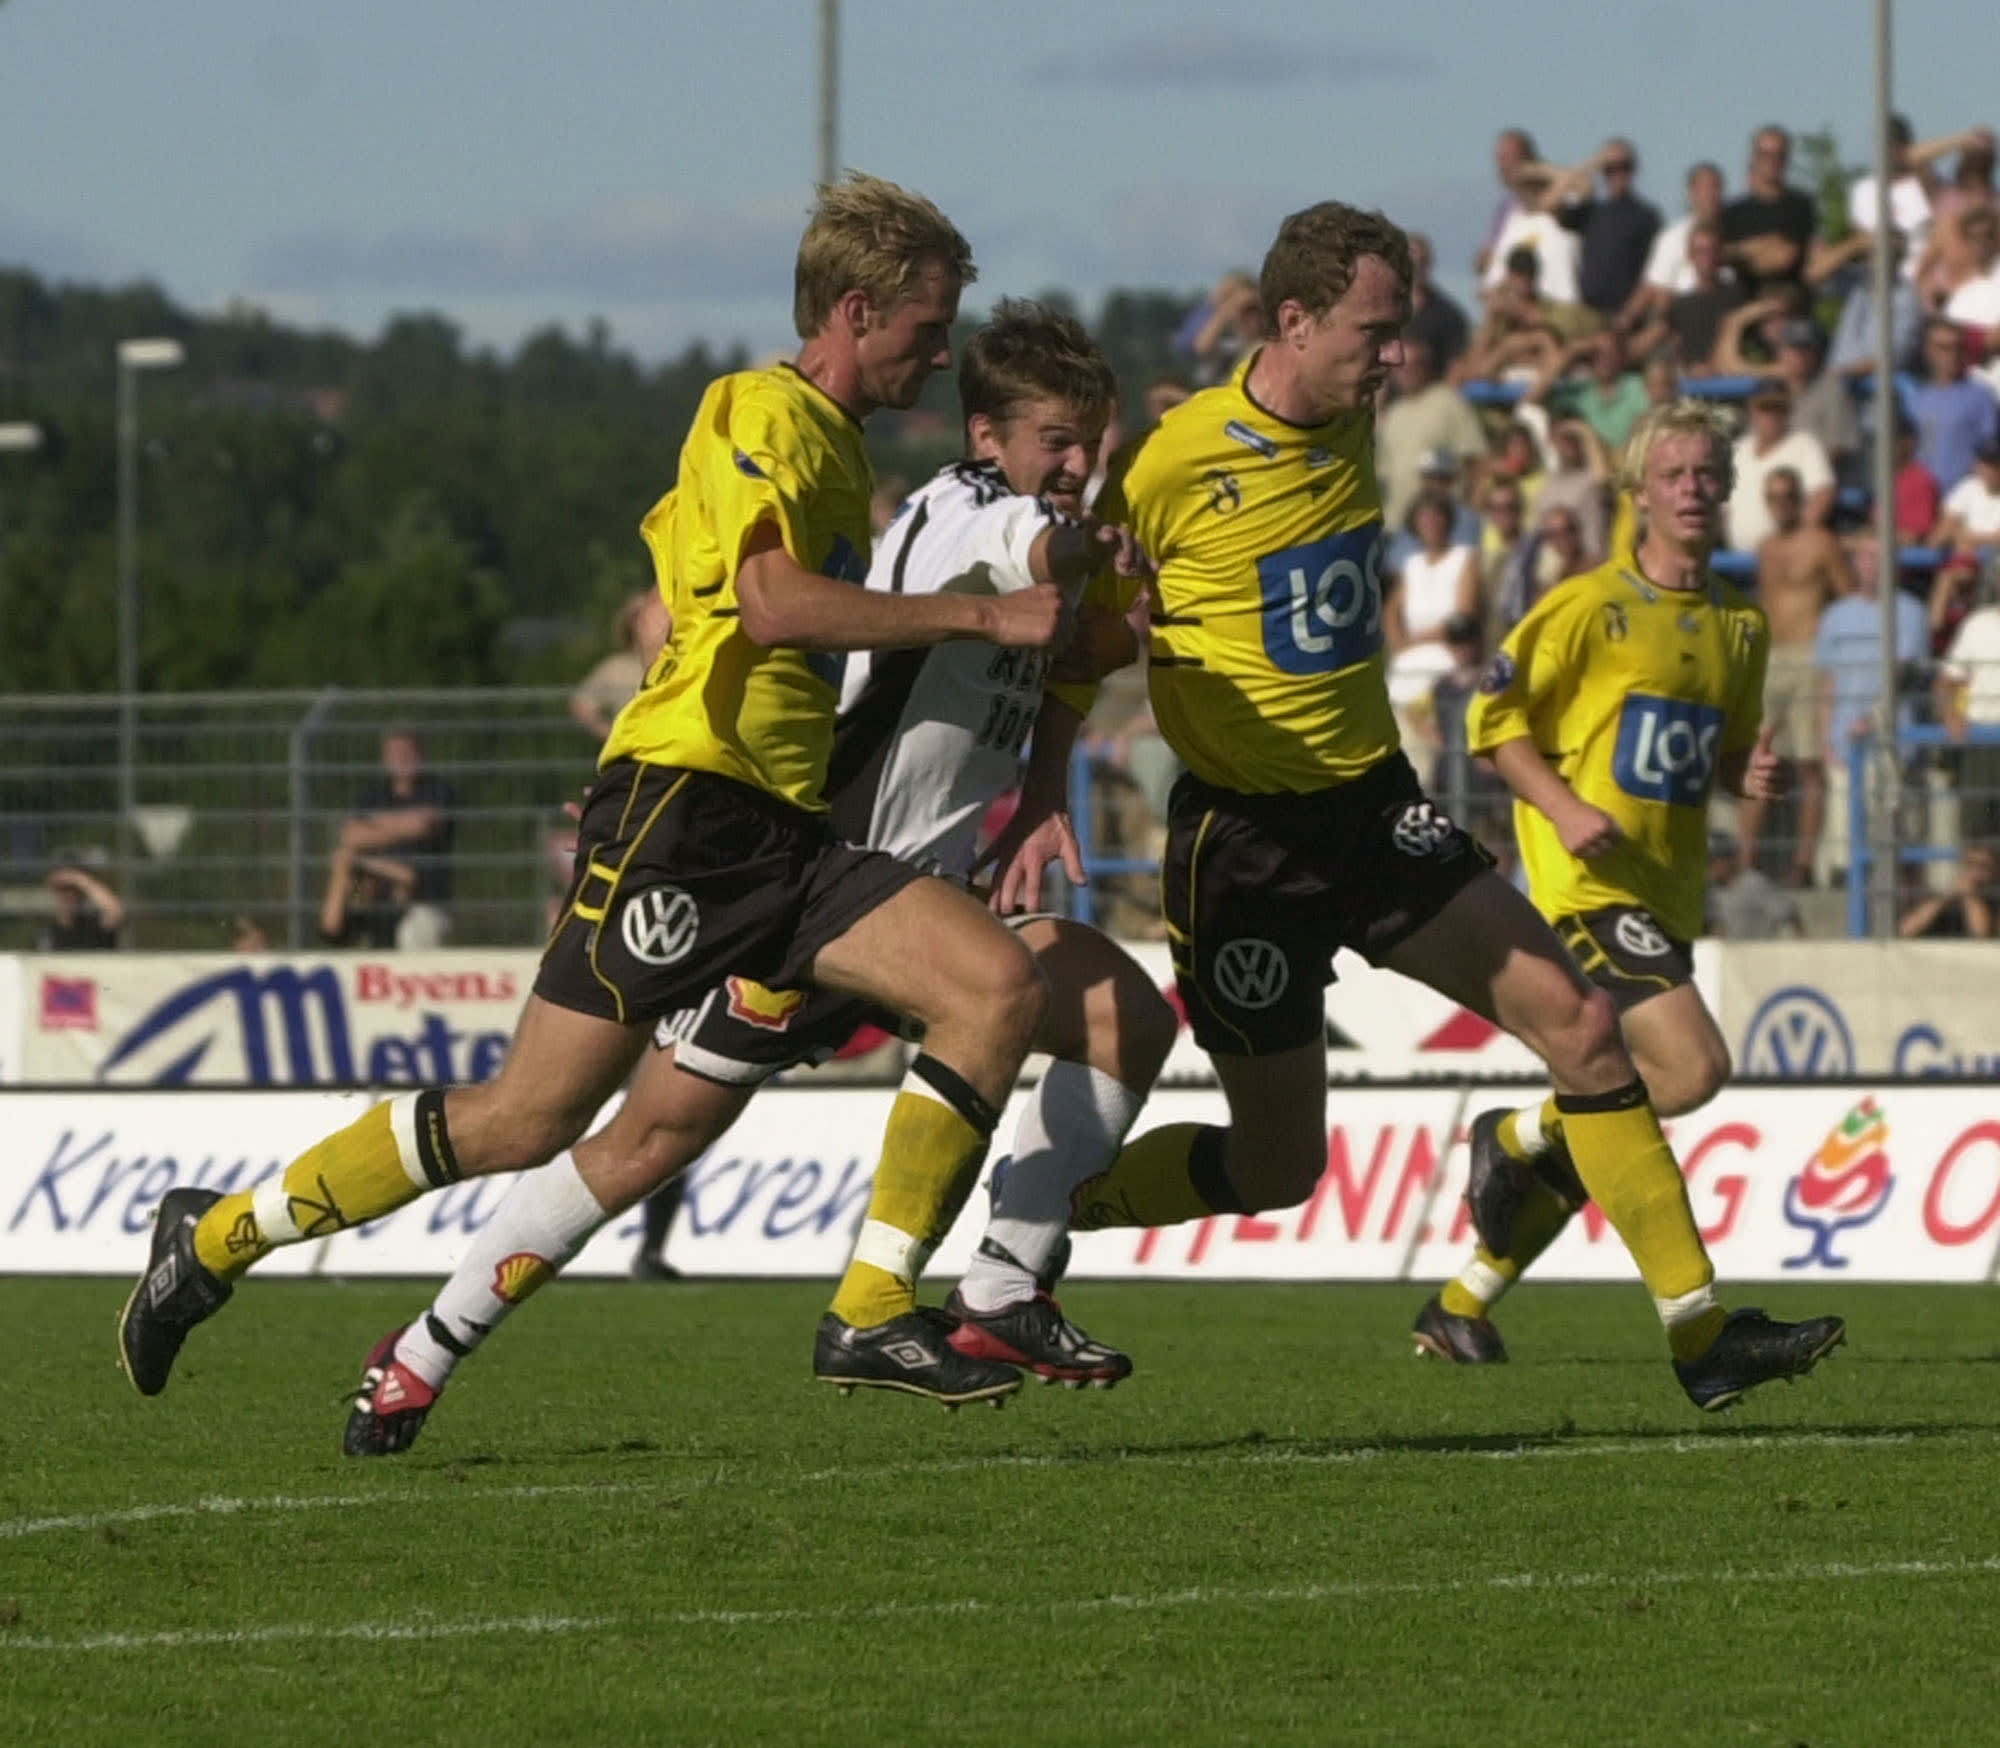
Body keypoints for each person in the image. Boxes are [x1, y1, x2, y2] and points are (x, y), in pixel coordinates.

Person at [119, 171, 1085, 1415]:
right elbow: (768, 603)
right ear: (855, 311)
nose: (941, 354)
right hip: (688, 813)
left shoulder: (831, 446)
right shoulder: (759, 408)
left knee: (994, 984)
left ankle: (871, 1308)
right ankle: (214, 1238)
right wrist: (981, 615)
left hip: (786, 832)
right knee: (526, 1118)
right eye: (927, 325)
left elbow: (683, 585)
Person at [1024, 203, 1840, 1412]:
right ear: (1292, 321)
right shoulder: (1174, 461)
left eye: (1398, 328)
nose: (1395, 354)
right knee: (1276, 1165)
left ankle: (1701, 1332)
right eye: (1375, 329)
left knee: (1581, 1024)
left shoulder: (1353, 415)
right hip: (1242, 843)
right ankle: (1055, 1208)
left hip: (1373, 810)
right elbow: (1085, 637)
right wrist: (1046, 779)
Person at [330, 302, 1177, 1453]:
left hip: (909, 905)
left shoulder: (1042, 526)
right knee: (644, 1140)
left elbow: (1078, 647)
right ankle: (422, 1353)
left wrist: (1043, 782)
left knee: (1122, 1016)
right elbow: (1038, 556)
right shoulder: (968, 511)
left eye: (1094, 442)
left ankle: (1000, 1288)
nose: (1078, 466)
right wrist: (1095, 549)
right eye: (1056, 442)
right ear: (987, 437)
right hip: (823, 896)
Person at [1412, 399, 1841, 1392]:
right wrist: (1561, 807)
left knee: (1621, 1107)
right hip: (1585, 887)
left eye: (1707, 474)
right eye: (1674, 474)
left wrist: (1747, 774)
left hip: (1664, 892)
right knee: (1692, 1066)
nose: (1692, 488)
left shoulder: (1738, 625)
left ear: (1725, 490)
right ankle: (1534, 1156)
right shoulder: (1587, 605)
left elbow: (1720, 751)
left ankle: (1464, 1295)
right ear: (1638, 491)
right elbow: (1493, 719)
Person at [1739, 466, 1855, 884]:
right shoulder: (1765, 547)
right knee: (1757, 758)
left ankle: (1802, 864)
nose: (1781, 504)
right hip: (1772, 658)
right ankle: (1745, 863)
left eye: (1788, 496)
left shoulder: (1821, 543)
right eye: (1773, 497)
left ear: (1800, 499)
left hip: (1809, 655)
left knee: (1808, 763)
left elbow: (1848, 598)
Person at [336, 727, 457, 949]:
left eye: (407, 752)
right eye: (395, 753)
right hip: (378, 898)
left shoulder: (438, 790)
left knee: (412, 935)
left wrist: (375, 823)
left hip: (425, 901)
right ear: (385, 758)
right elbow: (350, 835)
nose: (401, 758)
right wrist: (404, 824)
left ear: (421, 755)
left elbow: (423, 825)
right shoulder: (373, 795)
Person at [1548, 137, 1661, 324]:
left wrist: (1629, 315)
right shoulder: (1591, 212)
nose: (1618, 174)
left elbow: (1654, 273)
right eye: (1610, 168)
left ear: (1633, 169)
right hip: (1588, 313)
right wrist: (1590, 165)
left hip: (1624, 317)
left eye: (1624, 167)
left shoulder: (1645, 216)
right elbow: (1550, 203)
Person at [1726, 378, 1835, 553]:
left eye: (1778, 408)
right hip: (1736, 559)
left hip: (1787, 558)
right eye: (1765, 408)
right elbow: (1722, 507)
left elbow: (1822, 495)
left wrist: (1791, 542)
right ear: (1751, 411)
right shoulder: (1738, 450)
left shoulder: (1804, 444)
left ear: (1788, 410)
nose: (1772, 415)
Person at [1720, 125, 1819, 302]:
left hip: (1793, 305)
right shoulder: (1733, 212)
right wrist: (1757, 247)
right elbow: (1720, 254)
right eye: (1765, 154)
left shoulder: (1801, 206)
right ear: (1754, 157)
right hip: (1747, 305)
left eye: (1779, 155)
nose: (1772, 161)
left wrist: (1750, 255)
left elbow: (1786, 257)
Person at [570, 589, 672, 742]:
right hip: (633, 750)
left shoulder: (679, 660)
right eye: (638, 615)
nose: (648, 620)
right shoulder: (615, 668)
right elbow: (581, 705)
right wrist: (611, 734)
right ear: (629, 623)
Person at [1898, 843, 1998, 937]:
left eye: (1983, 866)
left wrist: (1970, 895)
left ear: (1995, 870)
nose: (1976, 872)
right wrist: (1946, 897)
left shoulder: (1994, 899)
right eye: (1970, 865)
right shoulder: (1945, 896)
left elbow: (1981, 934)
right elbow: (1905, 930)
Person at [36, 860, 124, 950]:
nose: (67, 895)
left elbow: (116, 912)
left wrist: (79, 879)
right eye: (61, 889)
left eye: (73, 889)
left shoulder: (94, 925)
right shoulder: (47, 930)